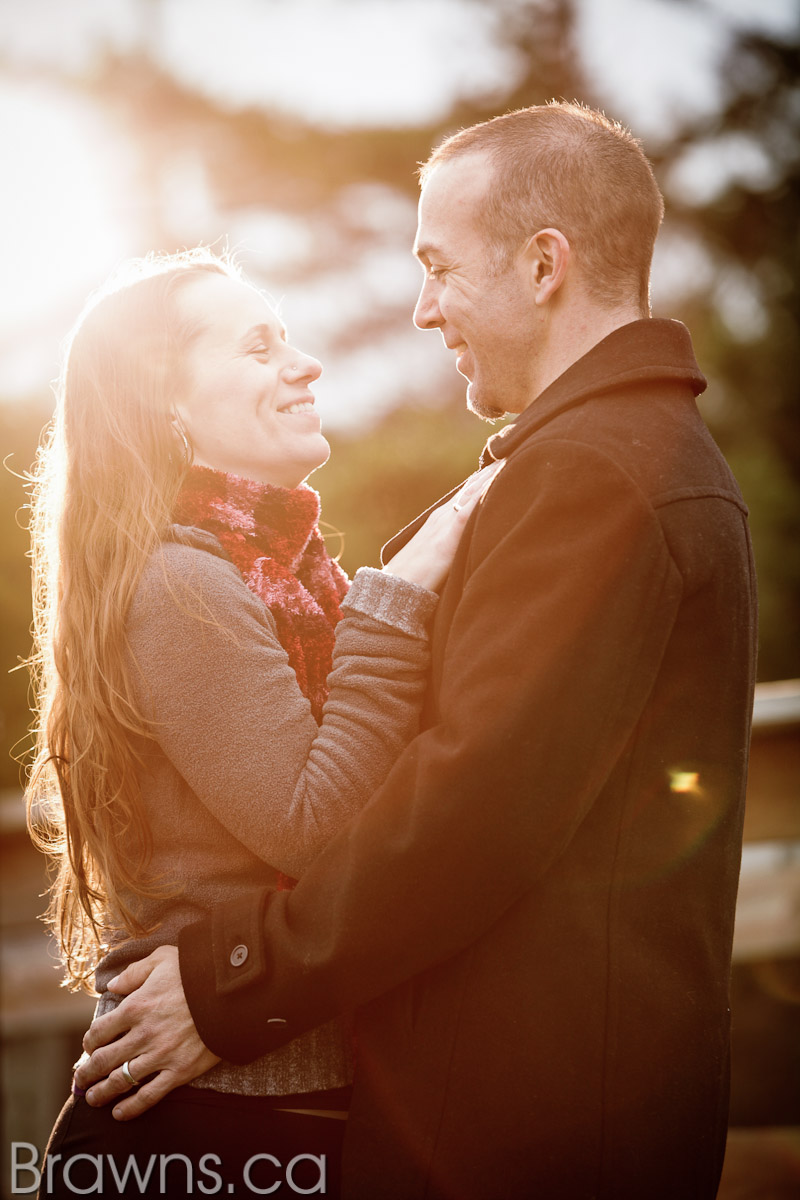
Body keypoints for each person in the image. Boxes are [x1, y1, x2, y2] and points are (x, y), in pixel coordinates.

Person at [76, 102, 758, 1199]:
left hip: (530, 1126)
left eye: (439, 267)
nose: (421, 307)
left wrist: (231, 986)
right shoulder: (586, 457)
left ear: (543, 265)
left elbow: (466, 809)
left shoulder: (591, 472)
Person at [26, 248, 491, 1198]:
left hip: (264, 1104)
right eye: (258, 346)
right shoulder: (180, 584)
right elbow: (314, 825)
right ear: (168, 406)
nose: (304, 364)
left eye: (289, 338)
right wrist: (393, 601)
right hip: (220, 1127)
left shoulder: (266, 572)